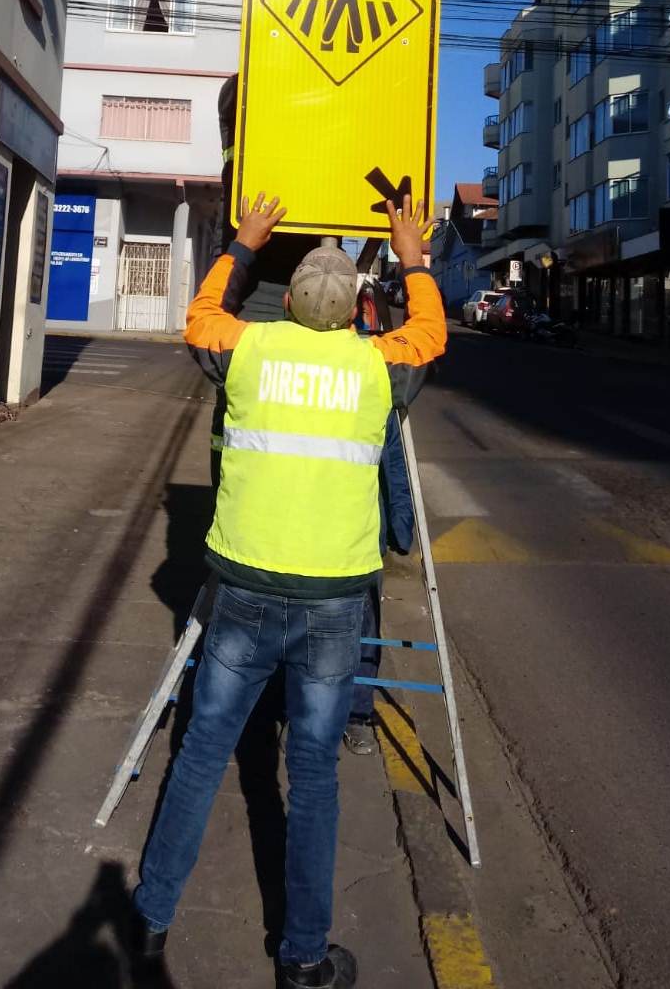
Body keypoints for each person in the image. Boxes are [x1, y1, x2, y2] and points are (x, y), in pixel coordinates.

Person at [133, 191, 446, 988]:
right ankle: (303, 956)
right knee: (312, 772)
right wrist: (412, 257)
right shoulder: (378, 368)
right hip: (334, 605)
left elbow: (200, 316)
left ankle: (150, 918)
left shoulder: (251, 351)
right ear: (351, 313)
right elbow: (432, 334)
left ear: (296, 299)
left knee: (202, 750)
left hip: (241, 588)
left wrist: (241, 245)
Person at [342, 407, 413, 755]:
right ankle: (299, 713)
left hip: (365, 535)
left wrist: (401, 528)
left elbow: (395, 461)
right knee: (301, 633)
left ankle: (357, 713)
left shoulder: (374, 376)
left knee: (363, 632)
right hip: (306, 534)